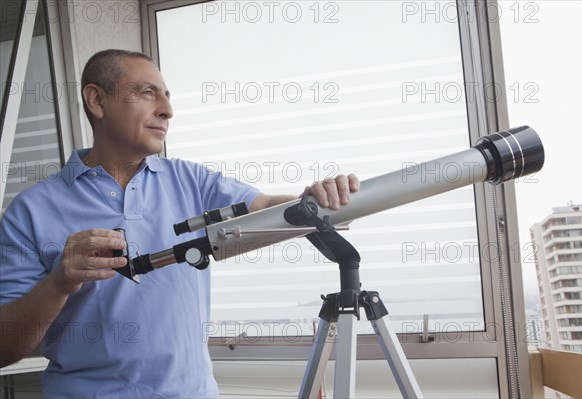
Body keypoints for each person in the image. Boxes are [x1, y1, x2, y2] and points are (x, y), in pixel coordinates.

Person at [0, 49, 359, 397]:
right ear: (97, 101)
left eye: (168, 96)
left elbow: (265, 208)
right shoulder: (30, 211)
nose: (167, 110)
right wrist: (59, 282)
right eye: (147, 92)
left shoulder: (192, 181)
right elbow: (5, 348)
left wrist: (316, 200)